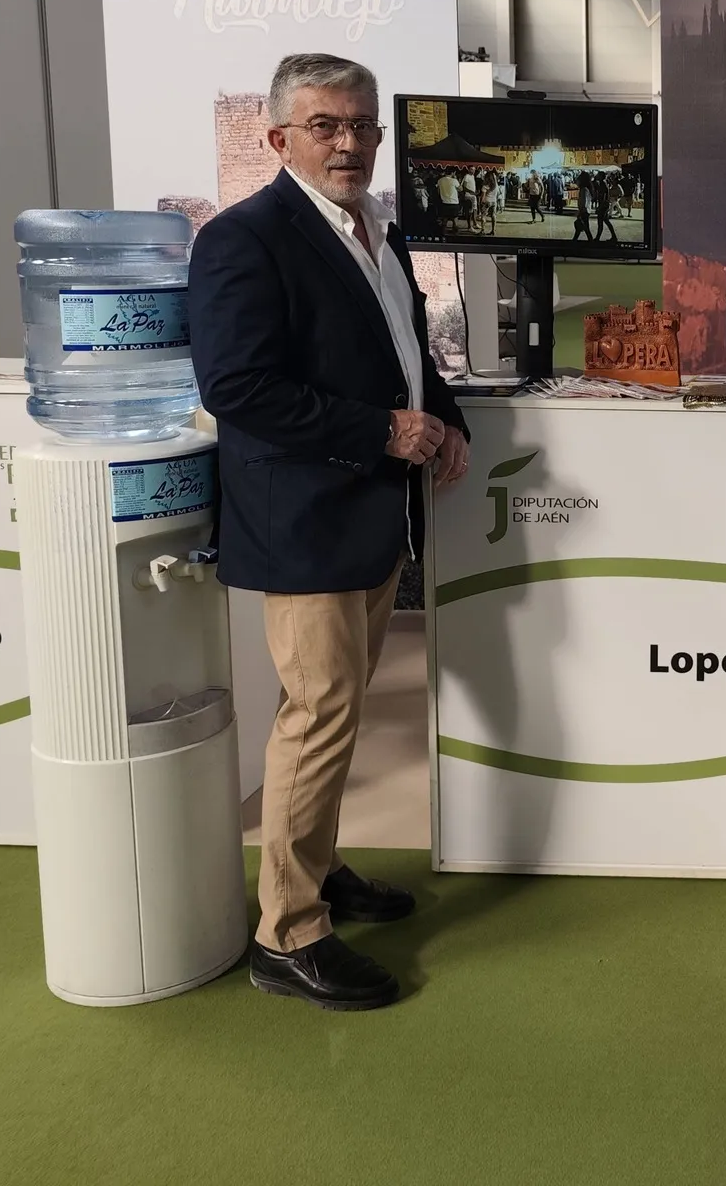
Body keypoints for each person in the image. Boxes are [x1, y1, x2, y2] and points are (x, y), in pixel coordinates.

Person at [189, 52, 470, 1011]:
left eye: (362, 125)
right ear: (279, 138)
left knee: (338, 711)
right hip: (303, 522)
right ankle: (287, 934)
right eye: (326, 126)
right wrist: (384, 432)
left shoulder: (374, 235)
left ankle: (319, 871)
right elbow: (237, 388)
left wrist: (447, 421)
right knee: (315, 717)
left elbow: (406, 352)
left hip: (368, 516)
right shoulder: (244, 239)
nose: (349, 141)